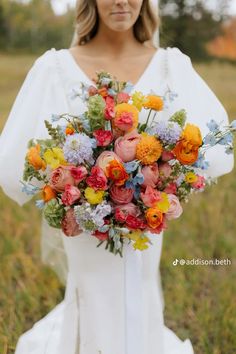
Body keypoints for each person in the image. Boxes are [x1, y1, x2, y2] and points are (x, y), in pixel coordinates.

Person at [0, 1, 233, 353]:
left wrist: (166, 182)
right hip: (84, 220)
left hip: (146, 218)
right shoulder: (55, 68)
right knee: (92, 293)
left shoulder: (171, 65)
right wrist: (71, 187)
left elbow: (214, 151)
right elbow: (18, 164)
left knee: (141, 286)